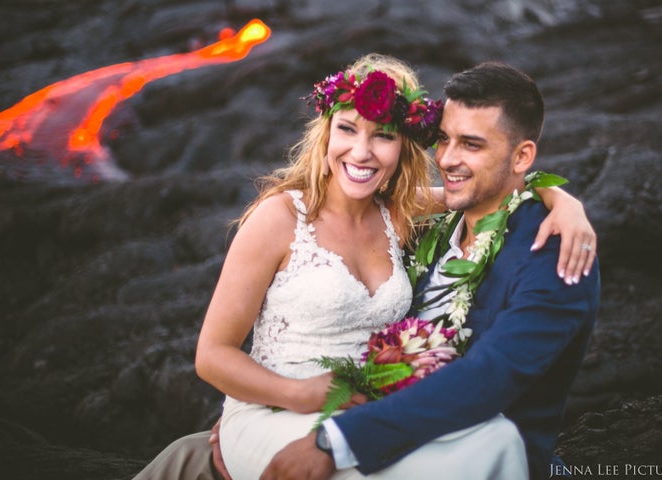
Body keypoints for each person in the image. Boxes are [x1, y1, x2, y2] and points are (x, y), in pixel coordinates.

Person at [132, 55, 596, 480]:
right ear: (326, 132)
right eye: (347, 129)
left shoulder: (399, 214)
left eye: (384, 135)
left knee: (481, 447)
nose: (361, 152)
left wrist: (561, 198)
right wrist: (291, 395)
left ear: (402, 148)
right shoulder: (279, 218)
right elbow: (211, 355)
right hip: (286, 405)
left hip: (365, 409)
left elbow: (487, 193)